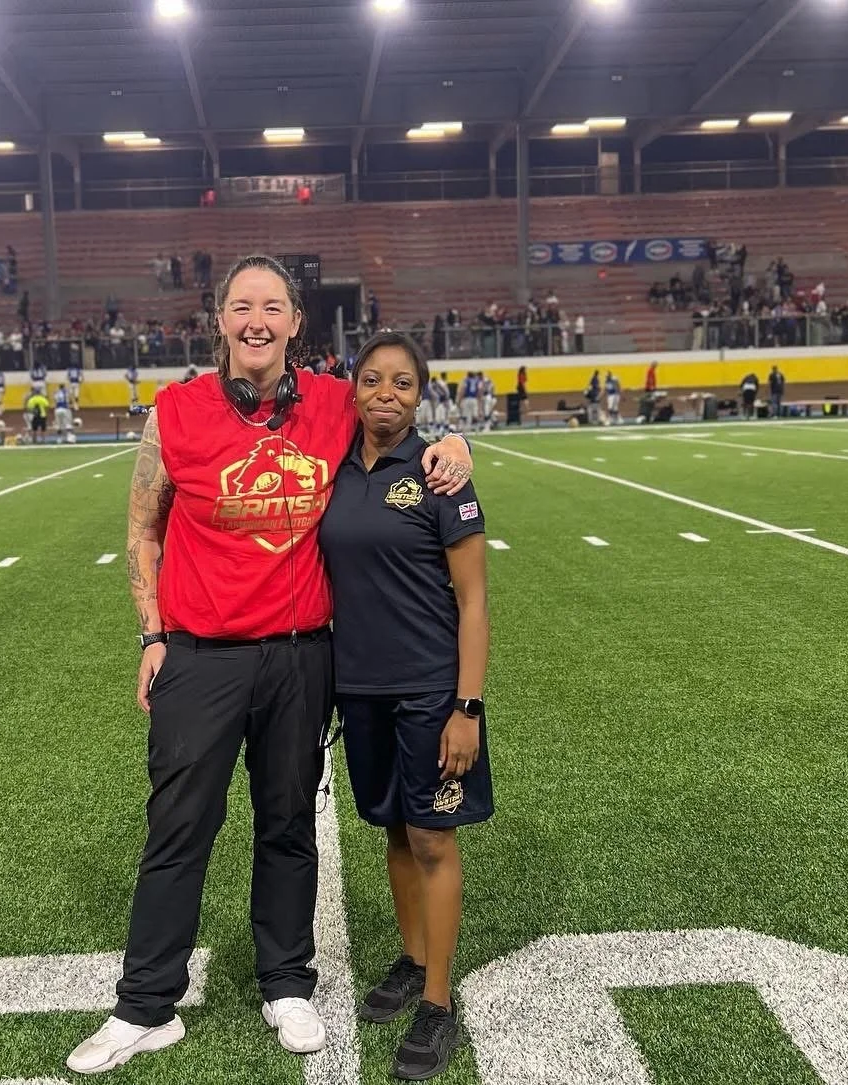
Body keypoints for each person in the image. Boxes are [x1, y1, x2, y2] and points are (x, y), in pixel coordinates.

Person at [66, 254, 473, 1076]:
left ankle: (285, 983)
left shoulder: (330, 402)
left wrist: (457, 439)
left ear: (295, 324)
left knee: (288, 825)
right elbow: (143, 528)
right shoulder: (173, 412)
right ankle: (146, 1004)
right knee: (178, 828)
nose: (257, 320)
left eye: (274, 306)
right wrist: (152, 636)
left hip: (299, 657)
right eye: (242, 305)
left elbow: (403, 426)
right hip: (200, 656)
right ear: (219, 319)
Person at [318, 331, 491, 1081]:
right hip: (360, 689)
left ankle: (438, 1000)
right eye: (372, 380)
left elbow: (475, 601)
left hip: (430, 691)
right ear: (352, 388)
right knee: (391, 828)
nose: (385, 394)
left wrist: (468, 706)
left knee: (432, 840)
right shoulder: (334, 473)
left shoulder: (440, 476)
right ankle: (412, 955)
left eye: (402, 384)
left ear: (421, 396)